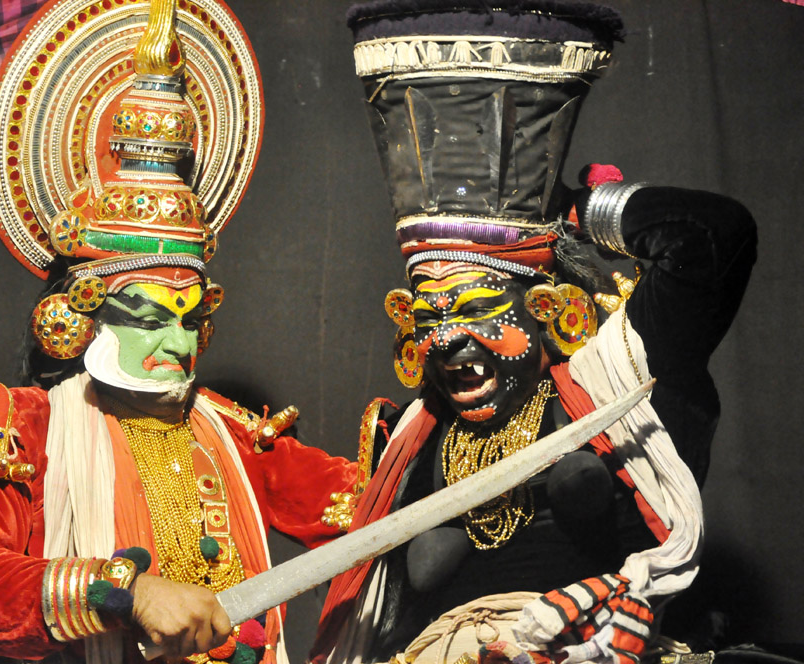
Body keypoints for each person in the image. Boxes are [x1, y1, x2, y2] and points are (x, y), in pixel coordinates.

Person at [310, 3, 756, 664]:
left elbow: (714, 237)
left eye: (477, 310)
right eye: (430, 318)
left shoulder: (619, 381)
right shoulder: (410, 438)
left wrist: (578, 214)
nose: (448, 339)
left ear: (547, 310)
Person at [0, 1, 354, 662]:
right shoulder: (23, 422)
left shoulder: (228, 431)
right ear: (78, 314)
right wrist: (126, 591)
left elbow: (360, 509)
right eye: (149, 318)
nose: (179, 344)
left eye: (190, 319)